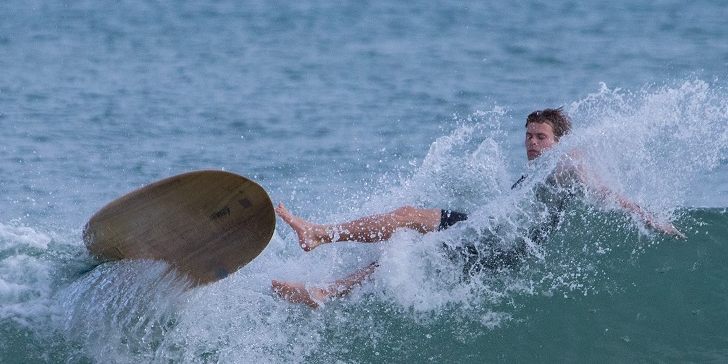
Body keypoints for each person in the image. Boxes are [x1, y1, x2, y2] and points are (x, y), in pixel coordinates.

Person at [272, 108, 682, 307]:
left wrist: (650, 220)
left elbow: (607, 193)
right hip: (489, 229)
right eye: (528, 136)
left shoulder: (566, 166)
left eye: (541, 136)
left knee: (409, 237)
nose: (532, 143)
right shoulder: (537, 174)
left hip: (503, 246)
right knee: (406, 221)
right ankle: (323, 262)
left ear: (559, 142)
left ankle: (326, 273)